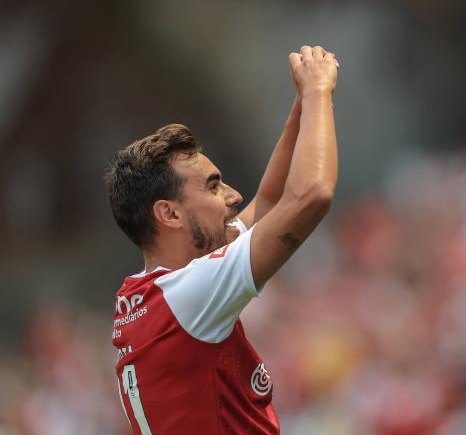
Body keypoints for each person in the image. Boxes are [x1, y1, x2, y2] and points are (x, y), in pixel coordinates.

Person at [105, 45, 339, 434]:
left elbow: (268, 202)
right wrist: (319, 92)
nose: (233, 196)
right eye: (213, 187)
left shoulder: (149, 295)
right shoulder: (189, 294)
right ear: (170, 214)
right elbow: (311, 195)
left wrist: (301, 107)